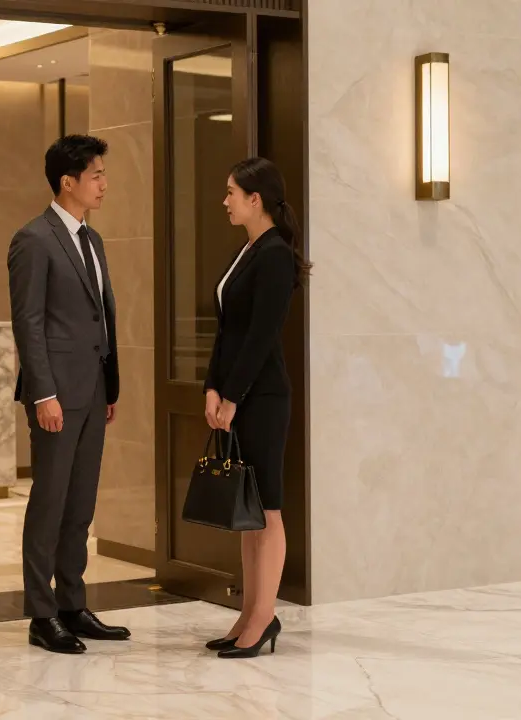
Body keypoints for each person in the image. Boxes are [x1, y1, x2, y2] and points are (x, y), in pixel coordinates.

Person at [8, 135, 130, 654]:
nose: (104, 183)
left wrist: (110, 385)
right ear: (68, 182)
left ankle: (72, 604)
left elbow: (99, 317)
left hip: (93, 388)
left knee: (80, 504)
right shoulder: (33, 239)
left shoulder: (93, 240)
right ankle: (41, 615)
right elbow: (29, 323)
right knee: (49, 504)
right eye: (96, 174)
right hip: (55, 395)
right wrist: (43, 394)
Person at [201, 157, 309, 659]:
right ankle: (248, 612)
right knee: (248, 514)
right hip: (239, 394)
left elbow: (263, 336)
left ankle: (264, 618)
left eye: (230, 192)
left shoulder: (274, 256)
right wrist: (211, 388)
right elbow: (227, 332)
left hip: (262, 398)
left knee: (265, 510)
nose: (224, 201)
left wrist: (235, 395)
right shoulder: (247, 251)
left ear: (254, 199)